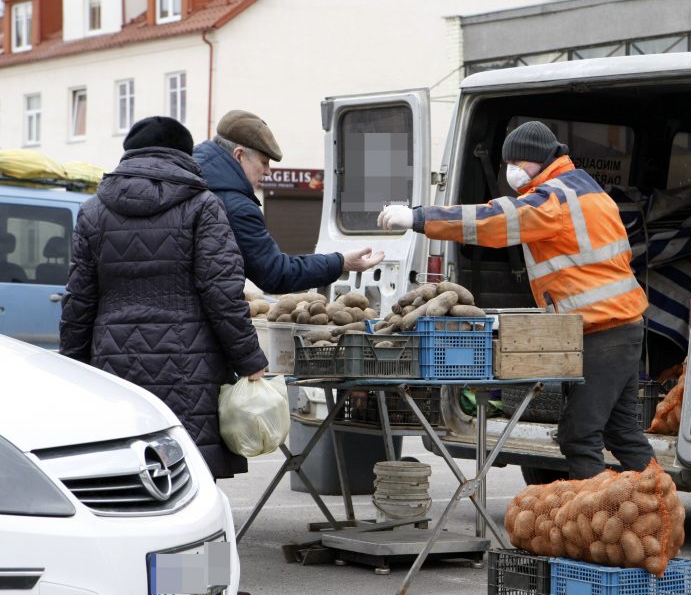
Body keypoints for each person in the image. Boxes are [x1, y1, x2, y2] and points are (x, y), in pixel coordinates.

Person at [59, 116, 265, 595]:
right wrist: (249, 359)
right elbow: (222, 293)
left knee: (124, 477)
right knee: (192, 478)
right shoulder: (201, 205)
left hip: (113, 363)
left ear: (130, 154)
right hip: (188, 361)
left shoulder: (94, 211)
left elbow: (78, 299)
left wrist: (70, 367)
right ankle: (192, 590)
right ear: (183, 155)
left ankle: (133, 587)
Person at [378, 120, 654, 479]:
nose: (512, 171)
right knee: (623, 433)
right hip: (620, 328)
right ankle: (659, 510)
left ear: (541, 160)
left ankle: (601, 518)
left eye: (520, 163)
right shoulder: (586, 189)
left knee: (579, 436)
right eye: (509, 163)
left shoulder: (552, 200)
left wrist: (418, 217)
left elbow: (491, 221)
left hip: (602, 333)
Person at [193, 110, 383, 294]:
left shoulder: (187, 182)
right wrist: (340, 262)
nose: (268, 172)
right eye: (264, 162)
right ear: (239, 155)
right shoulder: (235, 207)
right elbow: (276, 274)